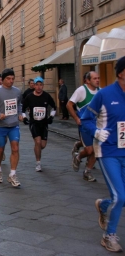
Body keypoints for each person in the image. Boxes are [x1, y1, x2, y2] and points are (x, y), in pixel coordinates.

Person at [81, 56, 125, 252]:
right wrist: (97, 132)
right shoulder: (104, 95)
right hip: (108, 151)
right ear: (122, 73)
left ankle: (104, 205)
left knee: (122, 197)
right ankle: (109, 236)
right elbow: (86, 118)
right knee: (120, 196)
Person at [67, 71, 100, 182]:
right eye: (95, 78)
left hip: (97, 126)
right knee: (89, 150)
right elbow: (69, 105)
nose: (97, 80)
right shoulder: (81, 90)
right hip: (85, 125)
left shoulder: (100, 91)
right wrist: (76, 118)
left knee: (96, 150)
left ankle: (87, 172)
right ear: (87, 80)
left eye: (98, 78)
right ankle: (78, 157)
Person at [21, 77, 56, 172]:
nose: (39, 87)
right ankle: (38, 163)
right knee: (38, 142)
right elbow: (23, 109)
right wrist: (24, 118)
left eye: (41, 85)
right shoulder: (29, 97)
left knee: (42, 145)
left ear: (43, 86)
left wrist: (51, 117)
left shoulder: (46, 96)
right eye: (37, 85)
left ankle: (37, 148)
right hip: (34, 123)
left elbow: (54, 107)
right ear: (34, 86)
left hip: (44, 123)